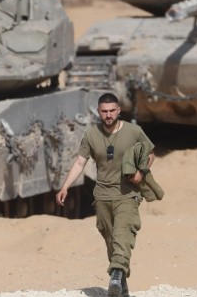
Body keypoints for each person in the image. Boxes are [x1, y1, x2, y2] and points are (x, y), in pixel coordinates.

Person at [56, 92, 155, 297]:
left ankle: (116, 275)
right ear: (99, 112)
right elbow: (80, 162)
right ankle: (121, 283)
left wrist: (141, 172)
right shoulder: (91, 135)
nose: (108, 115)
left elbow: (150, 153)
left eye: (112, 111)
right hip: (102, 195)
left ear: (118, 111)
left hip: (127, 195)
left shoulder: (134, 131)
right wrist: (65, 186)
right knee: (110, 240)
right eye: (104, 112)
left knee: (122, 235)